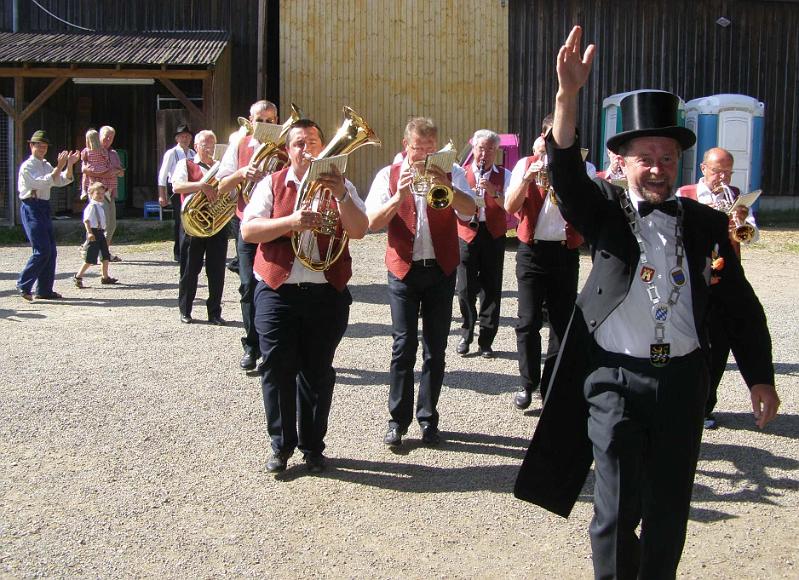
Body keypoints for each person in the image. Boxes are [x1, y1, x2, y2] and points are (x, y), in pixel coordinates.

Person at [514, 26, 780, 579]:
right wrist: (566, 99)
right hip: (613, 381)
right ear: (623, 163)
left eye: (666, 156)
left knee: (668, 511)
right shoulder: (606, 213)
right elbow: (565, 174)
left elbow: (739, 304)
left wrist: (760, 377)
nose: (658, 166)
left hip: (684, 381)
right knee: (615, 511)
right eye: (645, 157)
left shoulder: (707, 223)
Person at [241, 119, 368, 473]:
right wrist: (292, 222)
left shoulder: (343, 186)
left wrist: (342, 195)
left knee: (318, 371)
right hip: (278, 290)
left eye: (313, 141)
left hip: (326, 291)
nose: (306, 148)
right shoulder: (273, 183)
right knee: (277, 369)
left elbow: (359, 230)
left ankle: (313, 446)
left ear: (324, 148)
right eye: (299, 142)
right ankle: (281, 446)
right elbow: (249, 230)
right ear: (288, 149)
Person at [365, 117, 476, 448]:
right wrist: (398, 196)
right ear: (406, 146)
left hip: (440, 269)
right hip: (403, 269)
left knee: (436, 348)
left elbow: (471, 211)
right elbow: (371, 223)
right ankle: (397, 421)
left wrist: (450, 186)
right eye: (419, 149)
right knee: (403, 346)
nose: (424, 156)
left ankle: (428, 419)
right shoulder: (388, 175)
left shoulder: (452, 171)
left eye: (430, 149)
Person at [677, 146, 760, 429]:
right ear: (703, 169)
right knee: (693, 342)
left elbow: (750, 237)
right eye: (716, 171)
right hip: (693, 278)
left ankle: (706, 406)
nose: (722, 178)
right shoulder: (684, 194)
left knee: (720, 345)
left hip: (726, 278)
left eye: (727, 171)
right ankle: (686, 402)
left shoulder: (736, 197)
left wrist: (740, 221)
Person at [505, 116, 583, 410]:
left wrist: (568, 176)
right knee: (527, 322)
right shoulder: (525, 164)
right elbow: (510, 208)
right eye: (554, 135)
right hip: (532, 252)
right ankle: (528, 383)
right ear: (543, 136)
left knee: (562, 324)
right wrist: (527, 178)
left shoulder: (582, 167)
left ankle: (551, 386)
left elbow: (584, 214)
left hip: (565, 253)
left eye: (567, 136)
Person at [217, 100, 282, 371]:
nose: (266, 125)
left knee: (275, 283)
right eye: (261, 120)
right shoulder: (240, 144)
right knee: (247, 286)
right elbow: (222, 185)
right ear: (250, 121)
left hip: (277, 225)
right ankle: (251, 346)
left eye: (271, 121)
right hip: (247, 223)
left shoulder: (286, 146)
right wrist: (243, 173)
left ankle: (274, 345)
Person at [455, 129, 510, 358]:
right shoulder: (461, 173)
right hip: (467, 232)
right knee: (465, 288)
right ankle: (466, 333)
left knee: (491, 287)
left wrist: (493, 192)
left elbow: (511, 206)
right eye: (480, 148)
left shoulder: (505, 174)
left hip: (493, 233)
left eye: (489, 149)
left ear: (496, 151)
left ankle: (486, 340)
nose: (484, 153)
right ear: (473, 148)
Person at [171, 130, 227, 325]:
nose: (210, 147)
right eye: (205, 144)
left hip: (217, 223)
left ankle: (214, 313)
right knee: (189, 269)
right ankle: (185, 310)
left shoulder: (222, 167)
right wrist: (202, 185)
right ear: (196, 146)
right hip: (193, 224)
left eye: (213, 143)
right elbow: (177, 186)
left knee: (217, 270)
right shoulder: (185, 163)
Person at [16, 130, 80, 301]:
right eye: (39, 146)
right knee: (42, 249)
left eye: (44, 146)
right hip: (31, 206)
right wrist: (59, 167)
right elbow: (39, 182)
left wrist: (70, 164)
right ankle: (23, 284)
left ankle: (44, 290)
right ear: (31, 146)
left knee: (51, 251)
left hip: (43, 206)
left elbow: (61, 181)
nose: (42, 149)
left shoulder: (45, 165)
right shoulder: (27, 166)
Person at [158, 124, 195, 262]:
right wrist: (162, 195)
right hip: (175, 187)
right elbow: (162, 175)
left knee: (190, 218)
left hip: (190, 187)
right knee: (180, 219)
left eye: (188, 136)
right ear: (177, 138)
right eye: (183, 136)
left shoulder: (193, 153)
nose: (185, 139)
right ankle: (179, 252)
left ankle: (189, 248)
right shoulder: (172, 153)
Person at [74, 182, 117, 288]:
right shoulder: (92, 206)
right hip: (94, 232)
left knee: (105, 255)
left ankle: (105, 276)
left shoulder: (100, 206)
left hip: (100, 232)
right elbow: (87, 220)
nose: (100, 196)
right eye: (98, 193)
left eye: (102, 194)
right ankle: (78, 276)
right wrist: (89, 232)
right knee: (90, 258)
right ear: (91, 194)